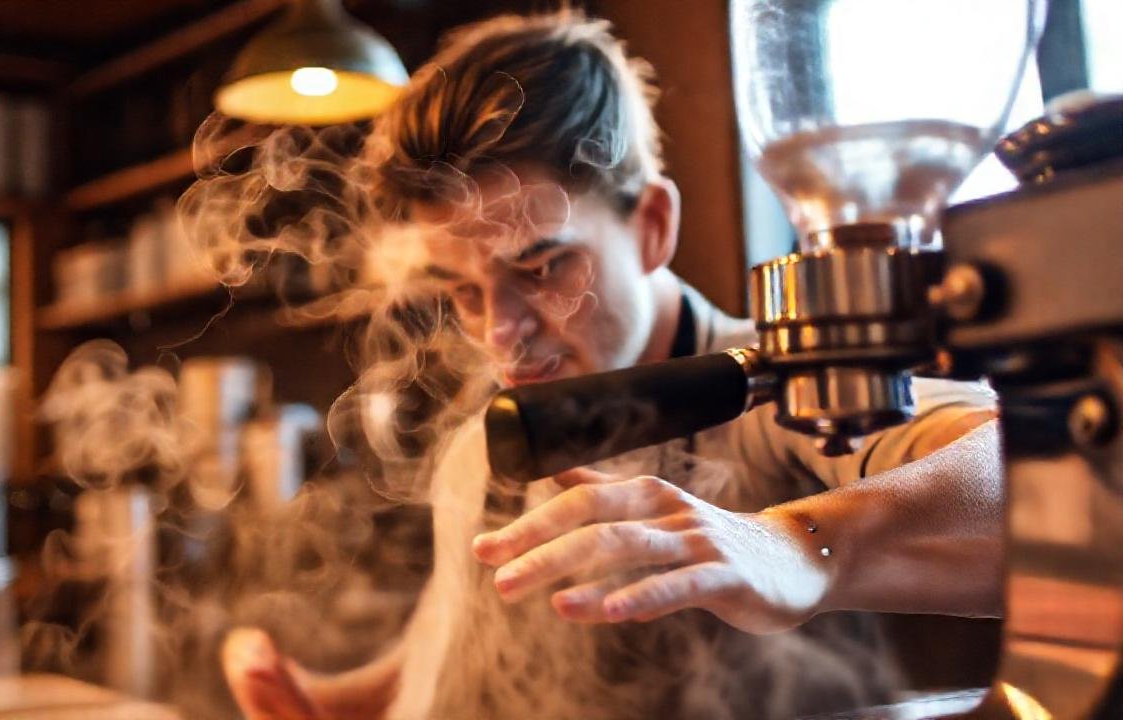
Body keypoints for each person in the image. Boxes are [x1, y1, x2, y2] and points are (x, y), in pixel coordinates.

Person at [222, 9, 1003, 719]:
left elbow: (1030, 471)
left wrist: (801, 544)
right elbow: (455, 657)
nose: (502, 335)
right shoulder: (488, 453)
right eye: (463, 291)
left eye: (542, 269)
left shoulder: (779, 395)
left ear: (653, 224)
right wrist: (323, 705)